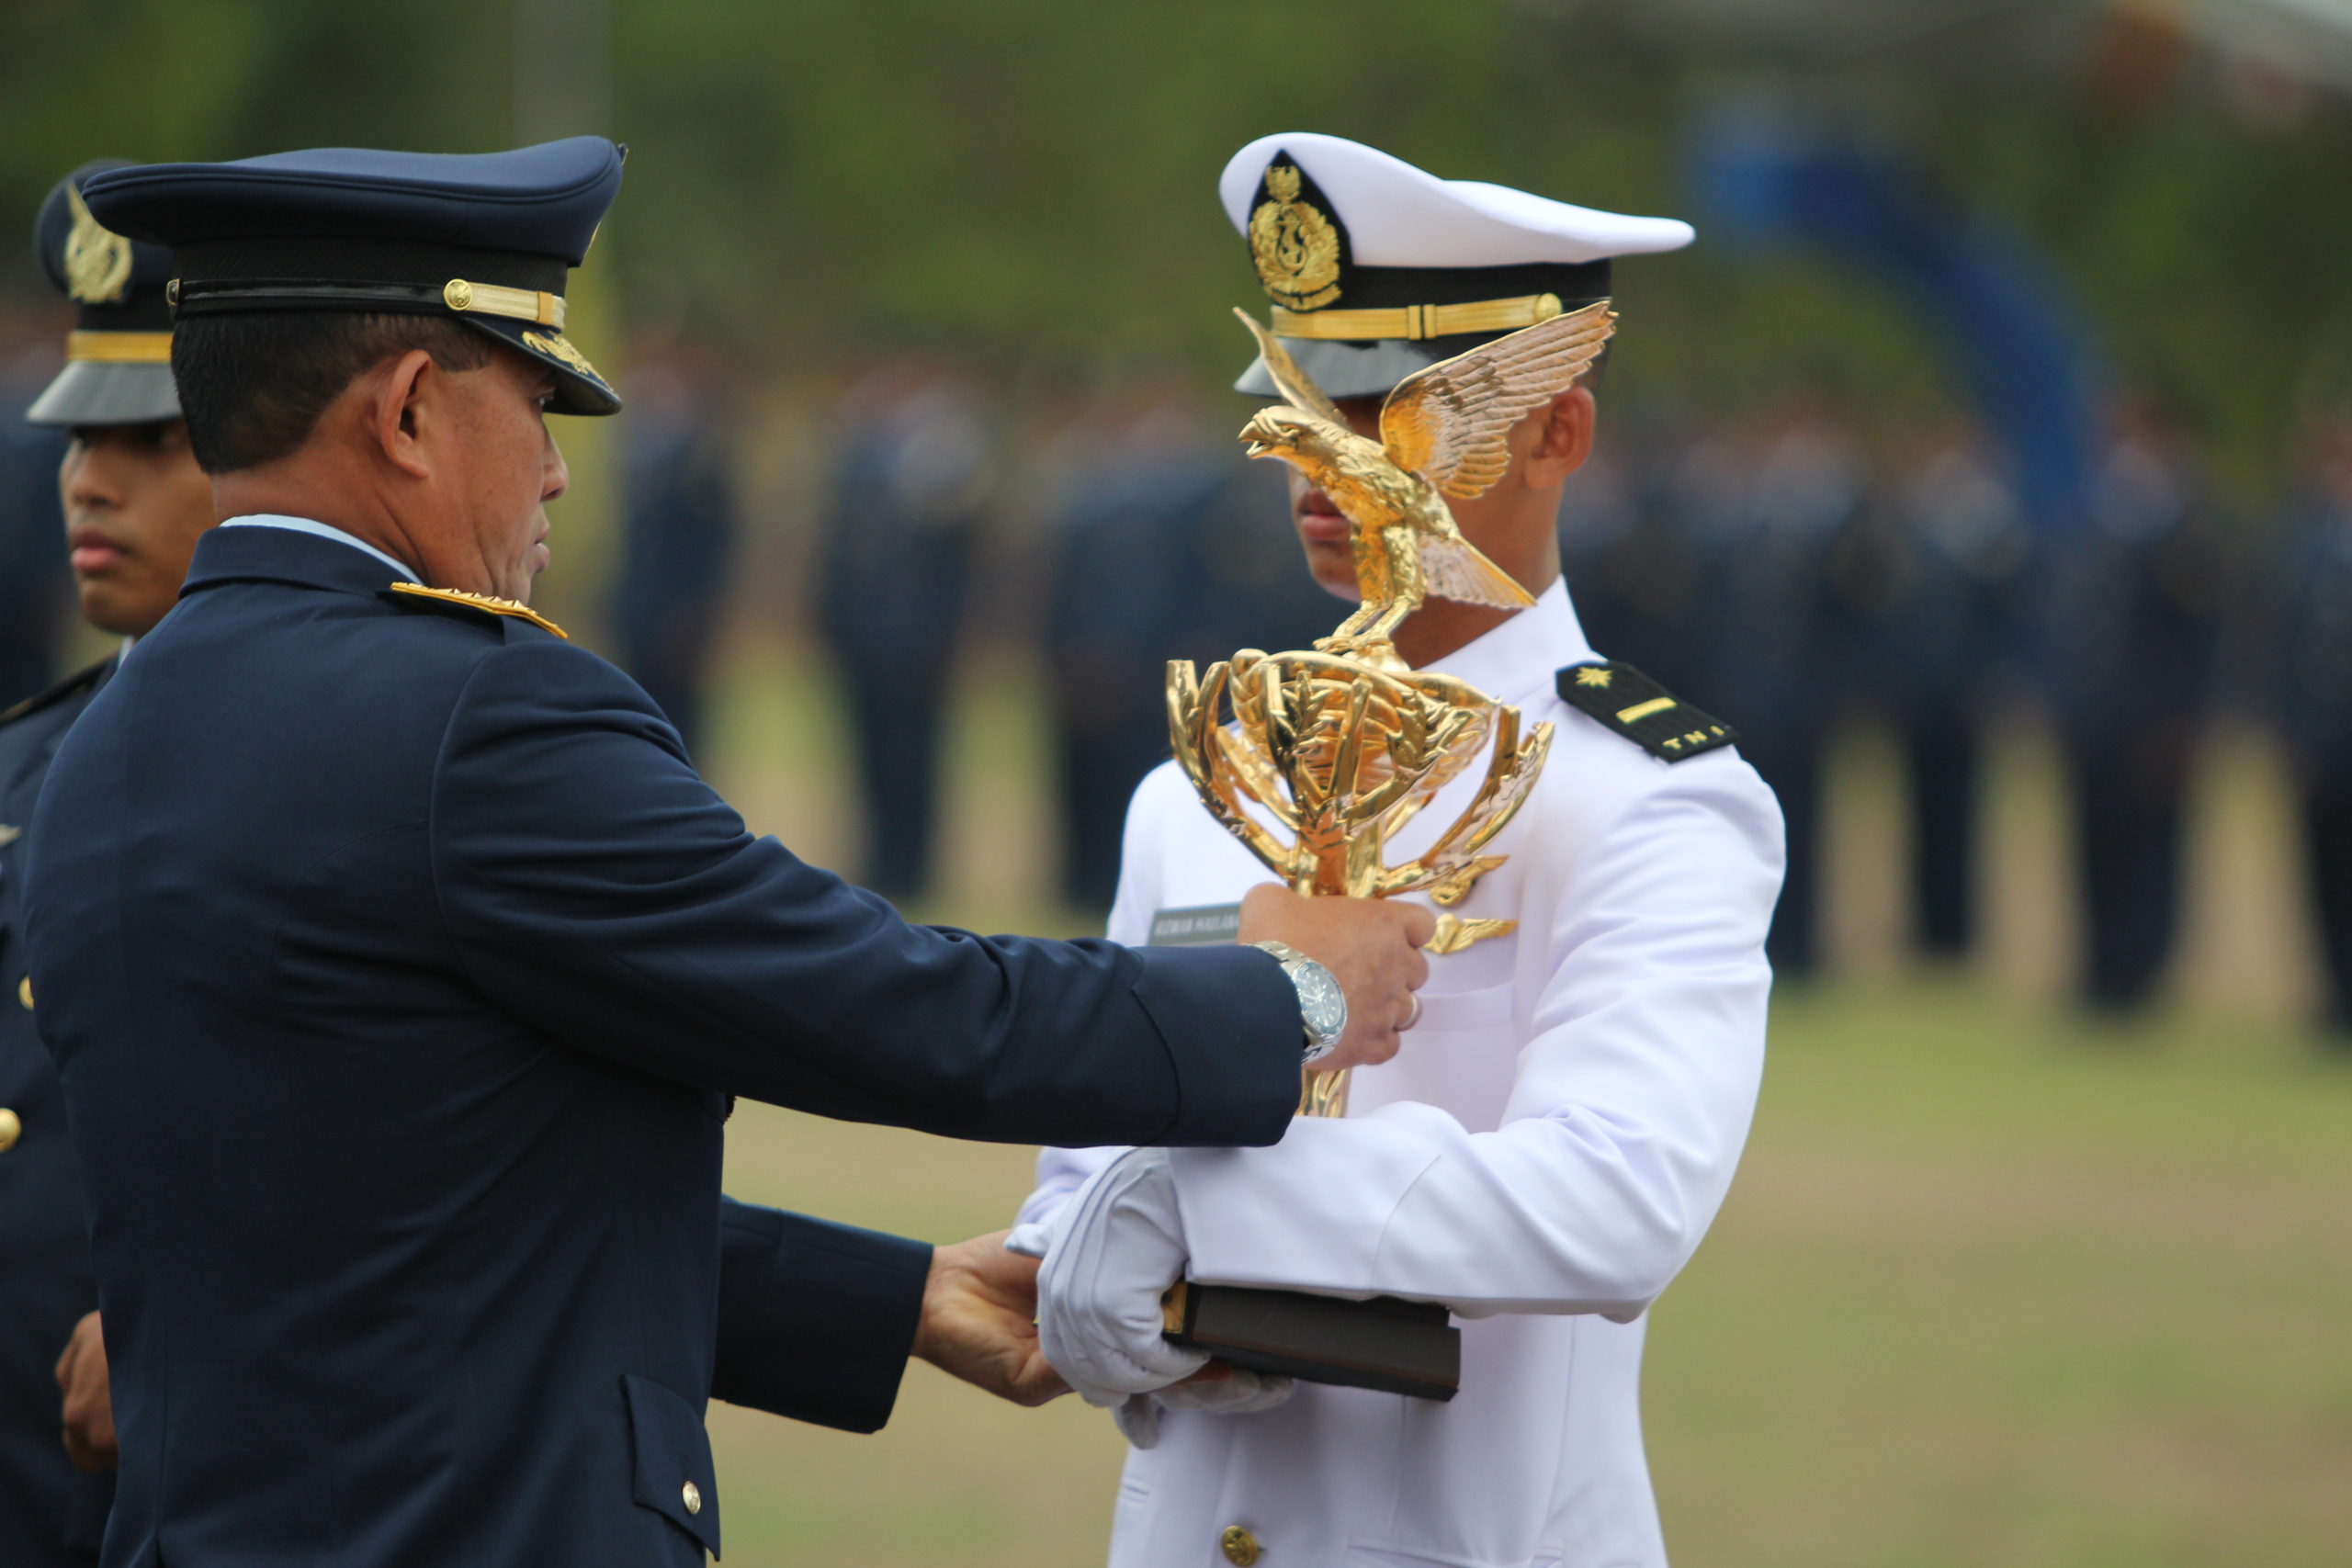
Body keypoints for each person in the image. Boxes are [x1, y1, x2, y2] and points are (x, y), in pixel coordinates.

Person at [21, 139, 1434, 1568]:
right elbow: (886, 1001)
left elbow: (389, 1201)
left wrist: (891, 1300)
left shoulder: (103, 744)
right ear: (405, 411)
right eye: (534, 402)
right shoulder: (475, 710)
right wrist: (1286, 998)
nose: (561, 471)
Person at [1012, 134, 1783, 1568]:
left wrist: (1190, 1203)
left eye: (1387, 408)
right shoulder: (1195, 790)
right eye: (1297, 397)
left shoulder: (1648, 796)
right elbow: (1077, 1195)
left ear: (1558, 430)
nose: (1325, 453)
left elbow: (1618, 1201)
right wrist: (1108, 1291)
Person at [1, 159, 204, 1568]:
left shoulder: (411, 775)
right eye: (81, 437)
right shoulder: (23, 768)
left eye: (153, 438)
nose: (88, 475)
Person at [2041, 389, 2221, 1015]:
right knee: (2094, 844)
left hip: (2154, 722)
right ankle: (2099, 970)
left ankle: (2140, 973)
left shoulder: (2187, 517)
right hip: (2094, 716)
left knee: (2150, 850)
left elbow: (2199, 634)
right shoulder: (2096, 511)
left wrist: (2183, 719)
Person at [816, 356, 992, 898]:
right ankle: (879, 859)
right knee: (868, 751)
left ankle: (914, 867)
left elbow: (959, 553)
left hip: (921, 635)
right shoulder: (859, 453)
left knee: (915, 755)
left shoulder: (948, 450)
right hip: (863, 630)